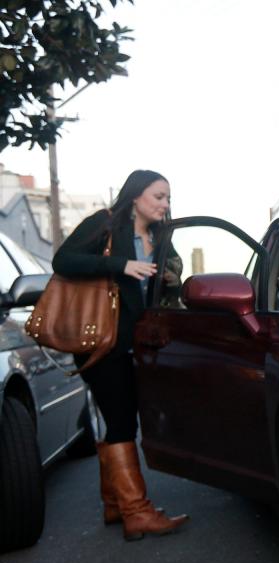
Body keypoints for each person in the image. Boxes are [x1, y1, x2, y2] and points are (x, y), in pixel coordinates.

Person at [52, 170, 188, 541]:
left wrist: (172, 276)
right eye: (158, 196)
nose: (164, 204)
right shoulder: (104, 224)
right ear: (135, 197)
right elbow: (63, 261)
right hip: (101, 341)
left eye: (167, 197)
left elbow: (173, 268)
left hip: (137, 343)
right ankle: (137, 511)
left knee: (119, 420)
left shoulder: (161, 235)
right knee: (123, 420)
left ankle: (115, 504)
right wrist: (120, 266)